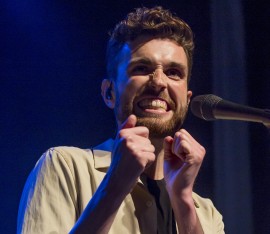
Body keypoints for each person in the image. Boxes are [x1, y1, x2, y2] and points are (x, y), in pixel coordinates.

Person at [17, 6, 224, 234]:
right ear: (109, 93)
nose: (158, 82)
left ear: (186, 99)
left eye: (173, 72)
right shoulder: (64, 166)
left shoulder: (206, 213)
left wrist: (184, 204)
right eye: (142, 68)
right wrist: (115, 186)